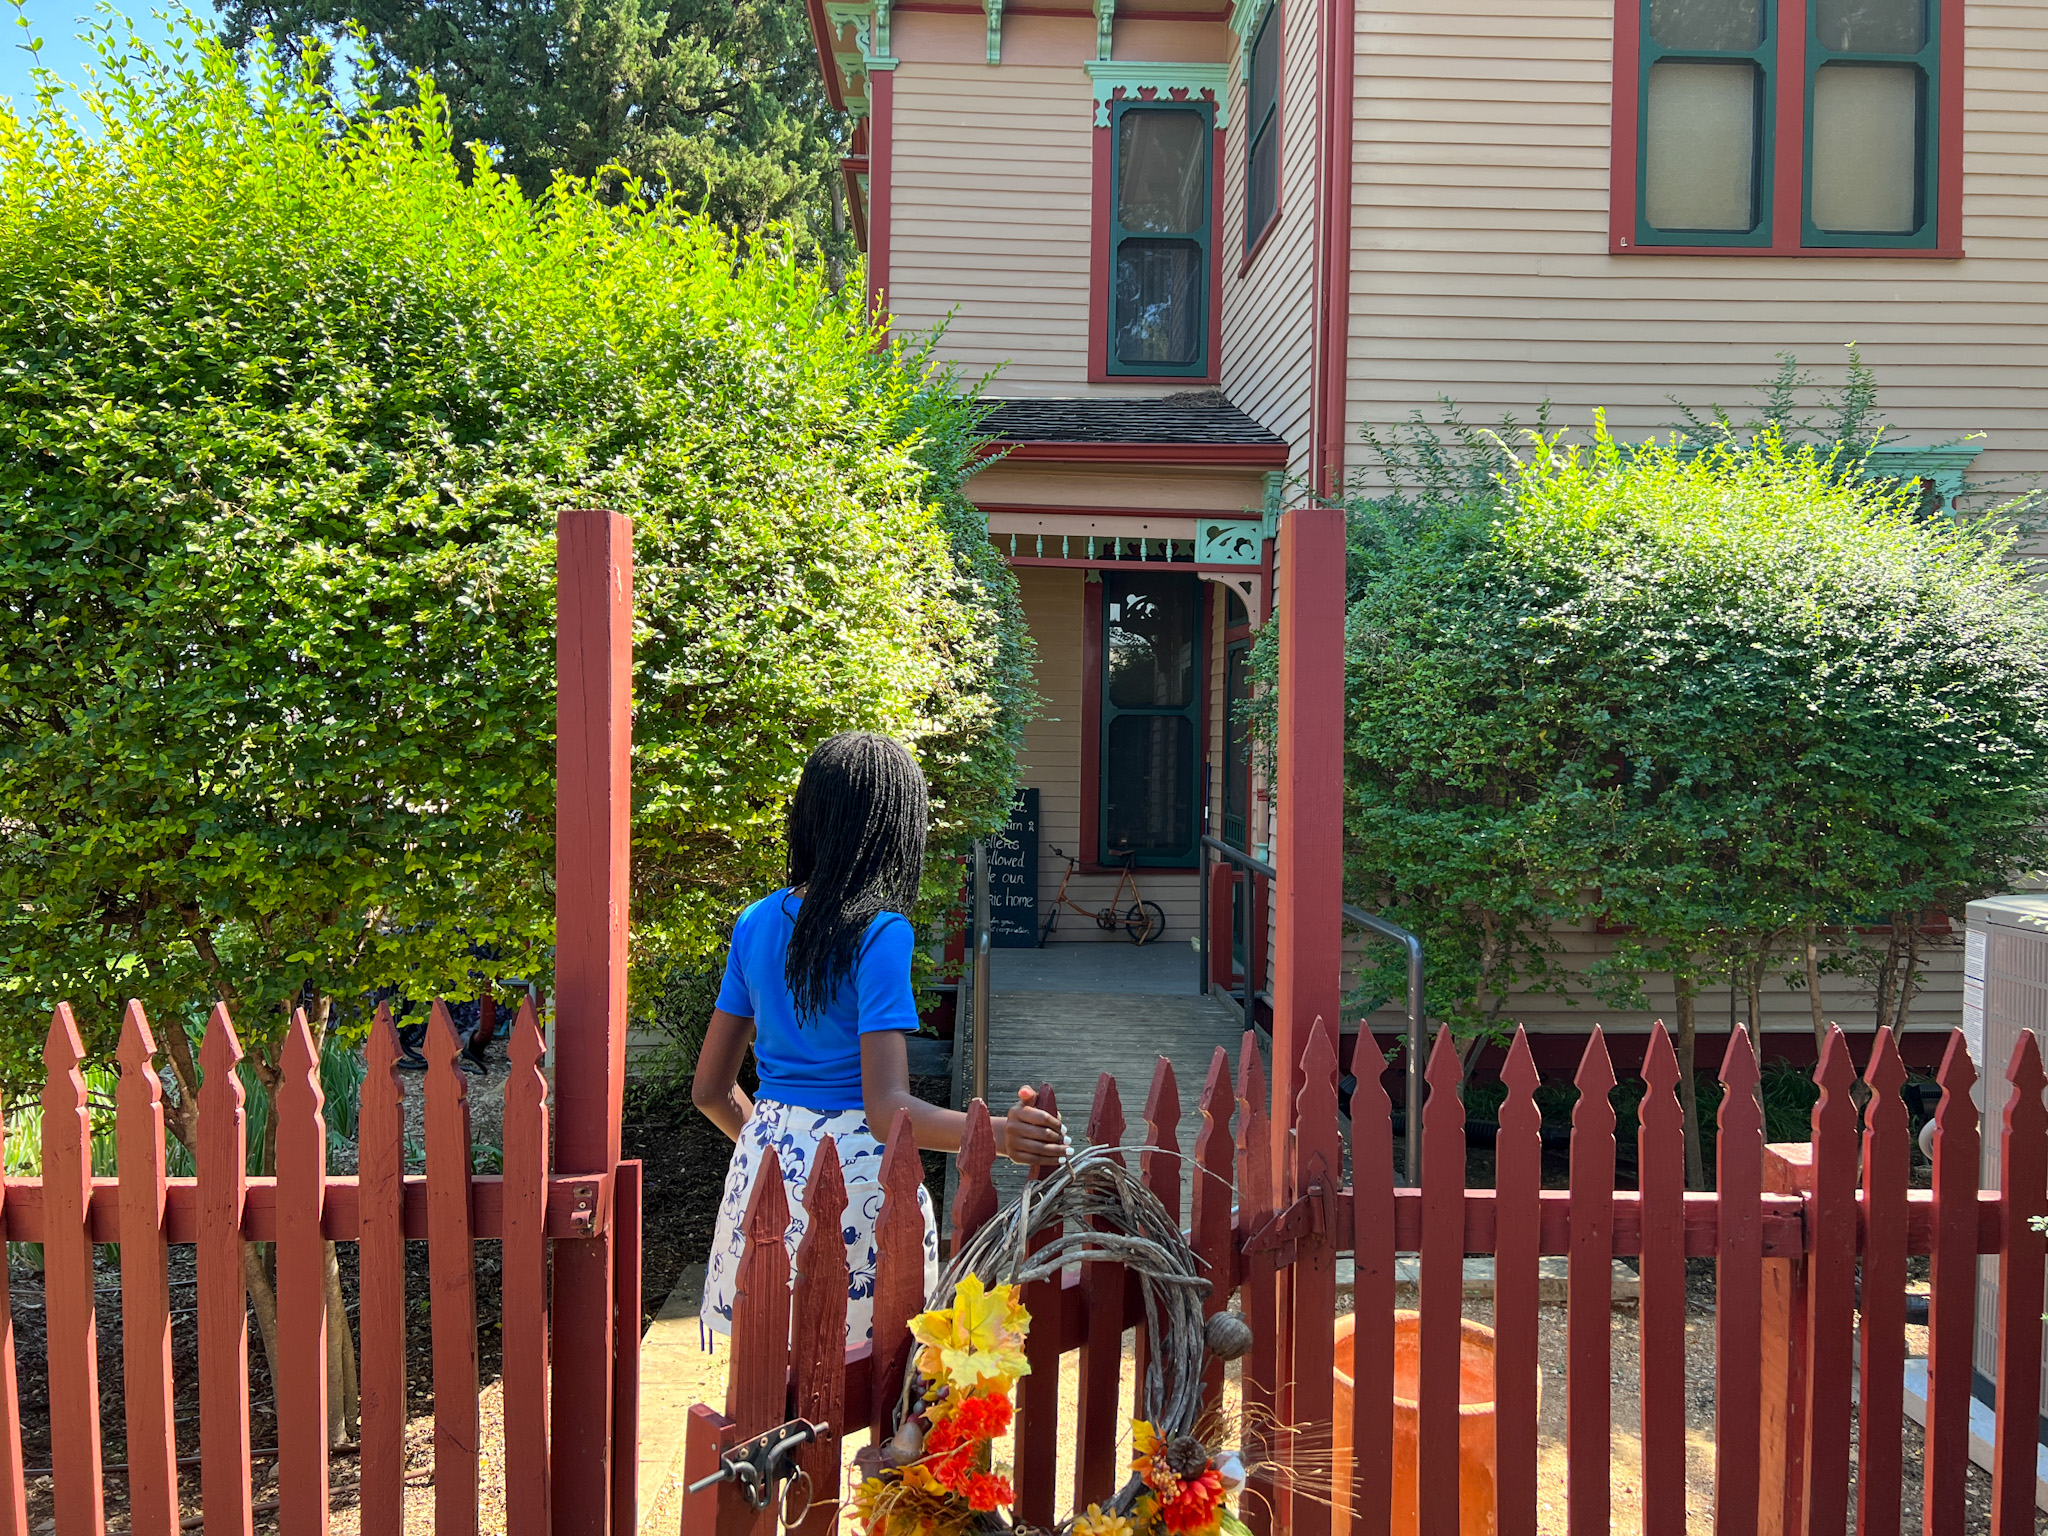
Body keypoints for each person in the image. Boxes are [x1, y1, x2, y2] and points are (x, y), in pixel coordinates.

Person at [693, 732, 1067, 1347]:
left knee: (768, 1387)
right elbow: (885, 1107)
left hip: (758, 1172)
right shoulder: (880, 930)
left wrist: (779, 1148)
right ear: (895, 825)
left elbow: (709, 1091)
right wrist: (999, 1135)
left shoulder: (755, 921)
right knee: (870, 1381)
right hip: (858, 1182)